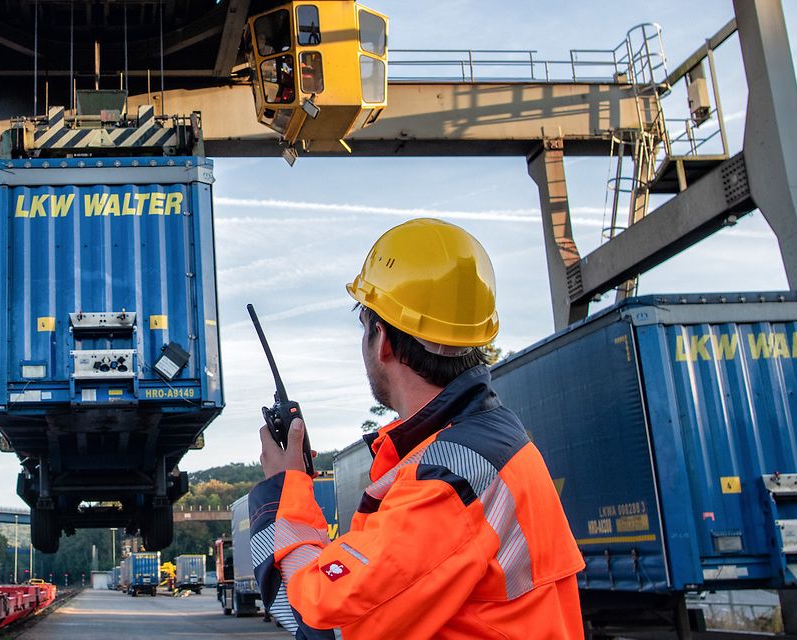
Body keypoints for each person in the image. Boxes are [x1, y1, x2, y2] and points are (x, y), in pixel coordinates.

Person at [248, 218, 584, 639]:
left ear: (382, 337)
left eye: (364, 327)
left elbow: (324, 621)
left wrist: (284, 491)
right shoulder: (483, 445)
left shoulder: (448, 481)